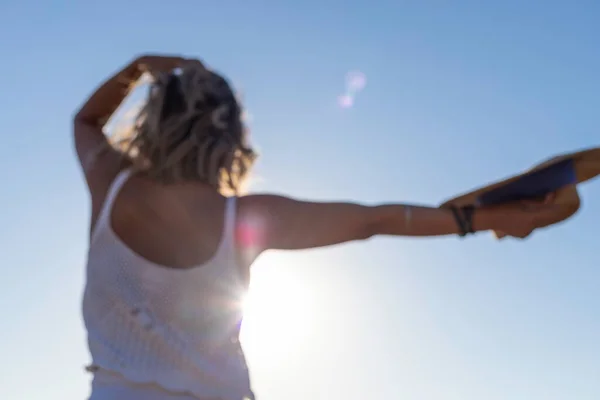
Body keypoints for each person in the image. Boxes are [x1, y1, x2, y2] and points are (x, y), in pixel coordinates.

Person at [74, 54, 555, 400]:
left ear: (154, 121)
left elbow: (87, 119)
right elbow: (373, 220)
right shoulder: (244, 218)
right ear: (232, 138)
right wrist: (482, 219)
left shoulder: (111, 183)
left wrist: (139, 67)